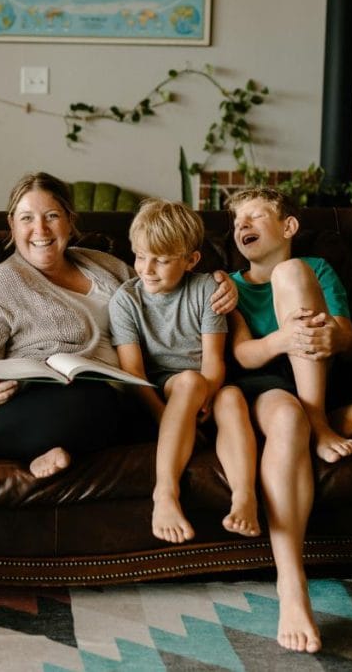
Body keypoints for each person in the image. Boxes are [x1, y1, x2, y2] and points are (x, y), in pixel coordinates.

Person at [0, 172, 238, 505]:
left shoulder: (108, 266)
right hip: (54, 401)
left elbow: (168, 289)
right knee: (88, 397)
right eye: (26, 218)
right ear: (11, 225)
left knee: (121, 401)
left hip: (134, 396)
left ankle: (54, 447)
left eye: (52, 216)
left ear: (69, 220)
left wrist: (221, 285)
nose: (41, 229)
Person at [226, 186, 352, 654]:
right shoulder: (228, 283)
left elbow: (351, 338)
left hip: (315, 372)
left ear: (288, 227)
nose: (243, 224)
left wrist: (333, 338)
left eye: (256, 215)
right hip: (262, 382)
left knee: (291, 273)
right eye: (238, 219)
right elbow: (242, 356)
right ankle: (292, 582)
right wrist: (285, 338)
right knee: (285, 419)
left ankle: (320, 417)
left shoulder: (316, 270)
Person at [109, 198, 260, 545]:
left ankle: (243, 496)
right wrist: (167, 416)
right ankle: (165, 493)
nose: (147, 269)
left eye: (161, 260)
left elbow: (213, 362)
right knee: (188, 382)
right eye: (140, 256)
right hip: (162, 388)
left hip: (206, 384)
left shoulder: (207, 289)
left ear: (190, 260)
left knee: (233, 397)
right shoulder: (126, 300)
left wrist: (206, 396)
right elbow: (132, 371)